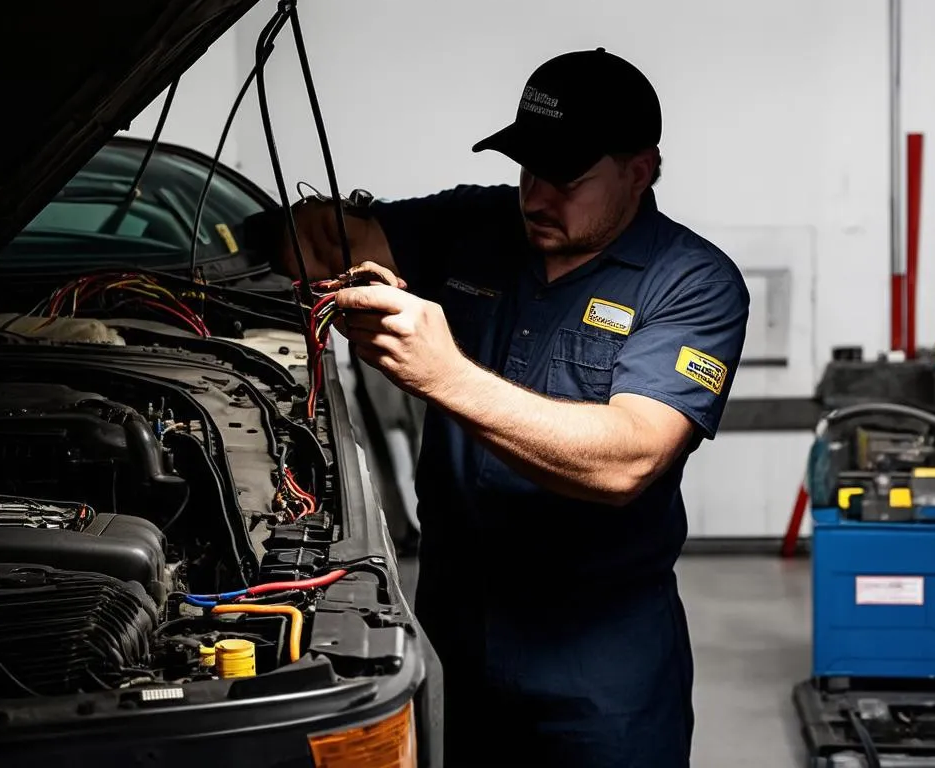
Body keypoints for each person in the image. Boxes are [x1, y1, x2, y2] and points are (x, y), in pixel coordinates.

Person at [275, 48, 749, 768]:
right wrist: (321, 247)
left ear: (640, 169)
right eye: (527, 168)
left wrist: (443, 375)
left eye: (566, 177)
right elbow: (319, 242)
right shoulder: (480, 226)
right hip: (459, 643)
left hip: (599, 671)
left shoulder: (691, 282)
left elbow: (631, 456)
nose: (536, 195)